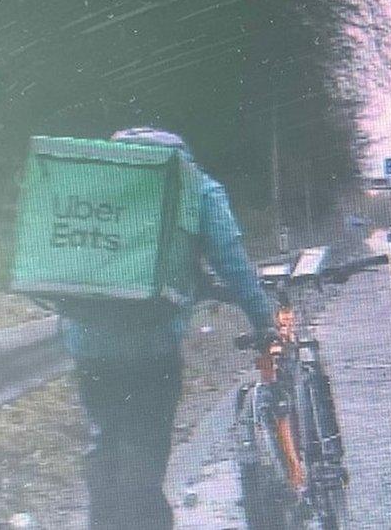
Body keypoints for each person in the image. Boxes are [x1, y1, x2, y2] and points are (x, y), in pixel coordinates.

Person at [62, 127, 273, 529]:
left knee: (105, 437)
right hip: (152, 344)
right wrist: (263, 318)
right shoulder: (196, 186)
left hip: (88, 342)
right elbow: (230, 259)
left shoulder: (96, 180)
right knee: (145, 442)